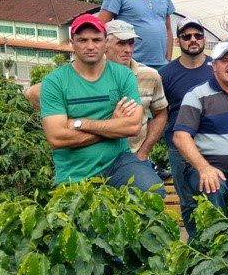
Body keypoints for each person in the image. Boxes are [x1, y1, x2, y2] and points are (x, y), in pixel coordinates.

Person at [38, 14, 163, 196]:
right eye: (83, 40)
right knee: (90, 213)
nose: (90, 46)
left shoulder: (123, 75)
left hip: (118, 162)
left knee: (152, 192)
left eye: (96, 40)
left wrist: (80, 123)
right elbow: (57, 138)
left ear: (105, 43)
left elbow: (132, 126)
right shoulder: (55, 82)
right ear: (72, 43)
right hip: (75, 171)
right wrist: (113, 125)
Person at [172, 42, 228, 224]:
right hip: (209, 174)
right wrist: (204, 168)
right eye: (225, 60)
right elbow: (180, 136)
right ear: (214, 65)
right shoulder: (197, 95)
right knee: (216, 226)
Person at [158, 18, 214, 231]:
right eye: (186, 36)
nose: (193, 40)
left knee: (215, 198)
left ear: (204, 39)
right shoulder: (165, 74)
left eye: (198, 35)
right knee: (189, 202)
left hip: (212, 144)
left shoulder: (215, 68)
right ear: (178, 40)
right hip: (179, 147)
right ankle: (194, 242)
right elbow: (160, 112)